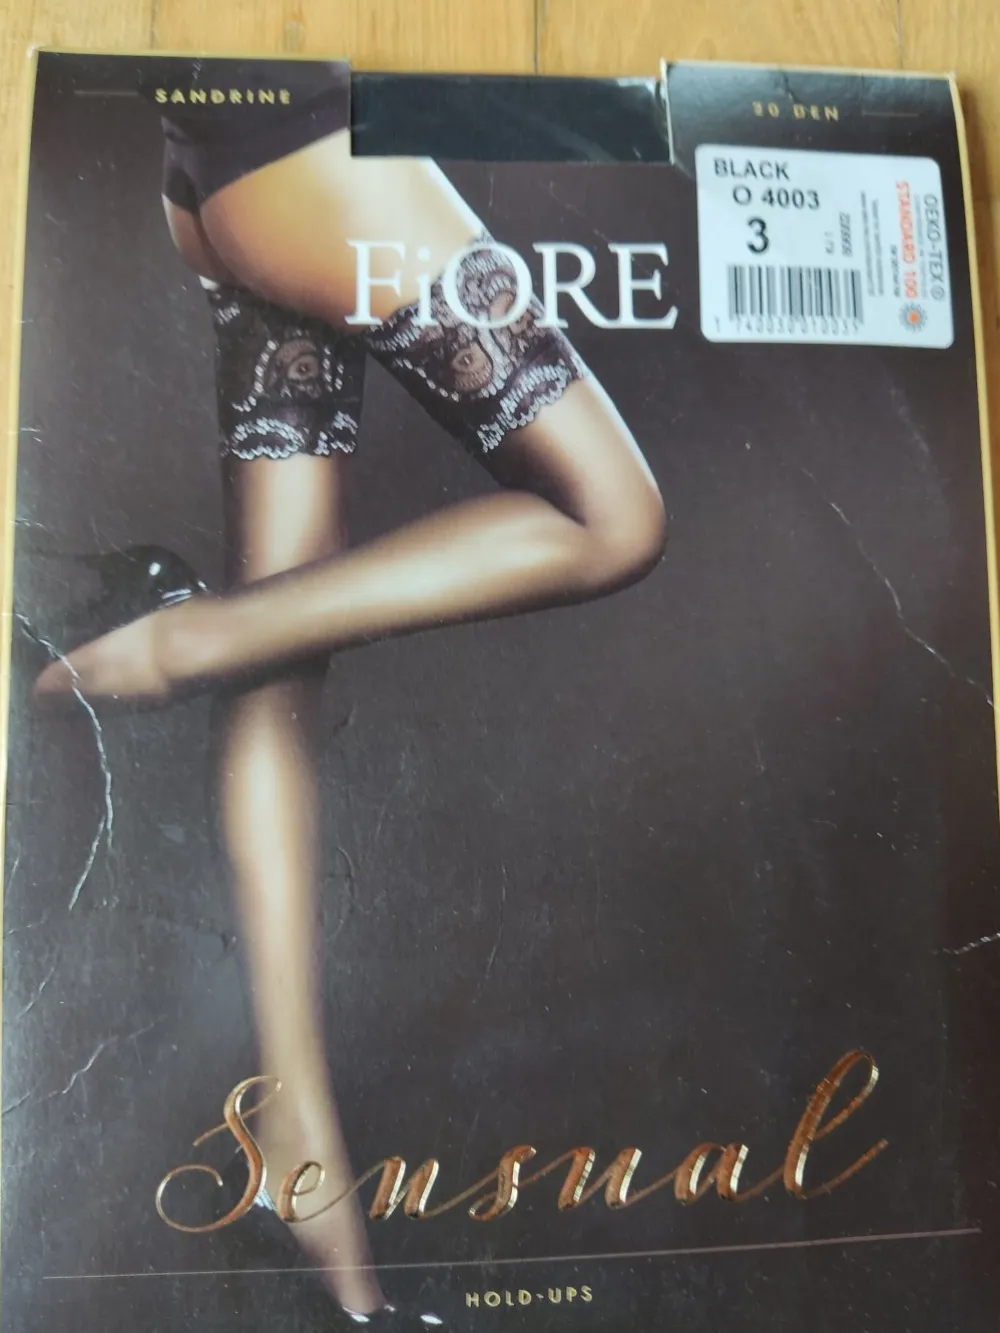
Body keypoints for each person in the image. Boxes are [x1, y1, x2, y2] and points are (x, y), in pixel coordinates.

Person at [34, 60, 666, 1327]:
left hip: (231, 169)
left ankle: (306, 1175)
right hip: (300, 151)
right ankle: (155, 651)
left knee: (280, 647)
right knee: (614, 518)